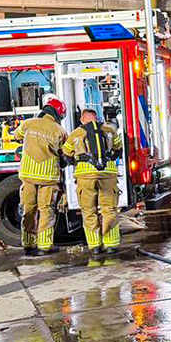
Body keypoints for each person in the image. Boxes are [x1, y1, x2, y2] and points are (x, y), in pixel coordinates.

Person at [62, 107, 123, 253]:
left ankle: (95, 246)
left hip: (85, 176)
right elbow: (119, 148)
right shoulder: (110, 130)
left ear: (82, 119)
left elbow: (66, 153)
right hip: (107, 174)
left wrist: (77, 162)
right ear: (96, 118)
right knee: (109, 209)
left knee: (89, 210)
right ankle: (111, 245)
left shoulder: (75, 134)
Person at [14, 94, 68, 255]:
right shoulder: (60, 131)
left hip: (28, 176)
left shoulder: (28, 123)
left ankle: (28, 244)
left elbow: (16, 137)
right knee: (46, 210)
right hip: (48, 178)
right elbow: (65, 154)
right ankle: (45, 246)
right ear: (58, 115)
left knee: (28, 210)